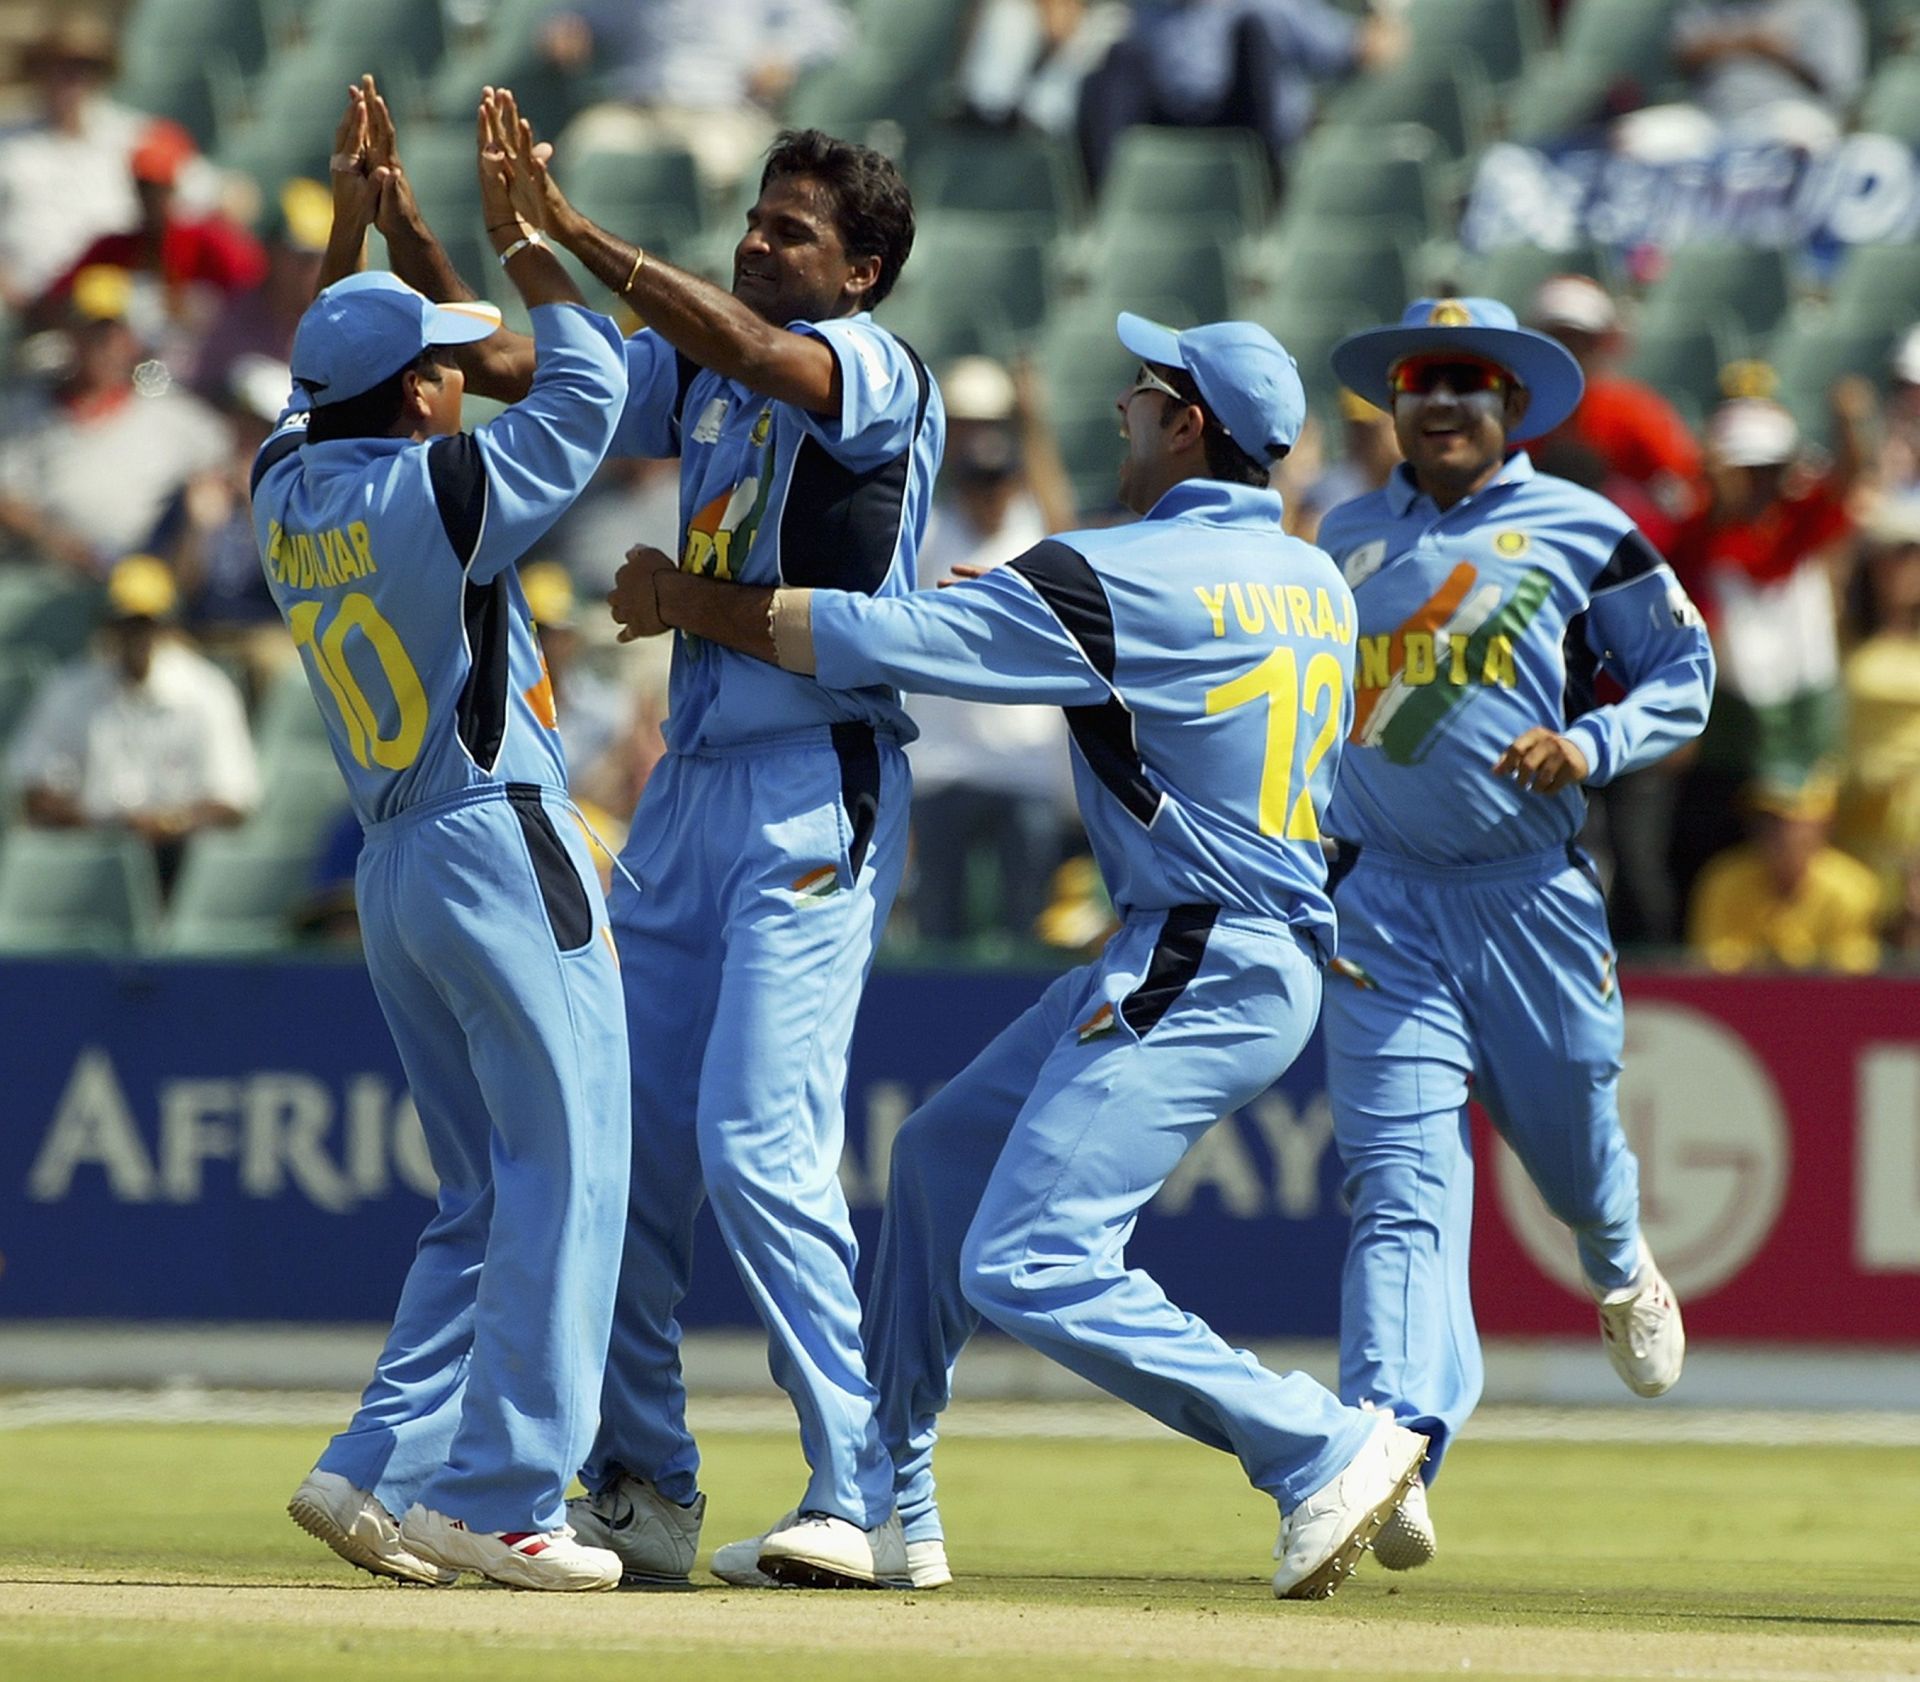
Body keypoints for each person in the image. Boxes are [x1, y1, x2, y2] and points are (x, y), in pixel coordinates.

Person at [609, 312, 1431, 1602]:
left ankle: (1317, 1442)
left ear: (1188, 422)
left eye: (1141, 393)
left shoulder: (1124, 572)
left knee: (1027, 1259)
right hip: (1219, 944)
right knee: (938, 1160)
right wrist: (993, 613)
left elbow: (886, 646)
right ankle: (889, 1500)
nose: (1119, 413)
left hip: (1201, 951)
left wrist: (679, 599)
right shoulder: (1311, 571)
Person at [370, 84, 943, 1588]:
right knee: (622, 1162)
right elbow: (513, 360)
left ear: (862, 272)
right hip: (688, 789)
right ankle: (645, 1484)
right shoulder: (696, 375)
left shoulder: (870, 367)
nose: (760, 245)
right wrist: (439, 234)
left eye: (794, 232)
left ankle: (866, 1494)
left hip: (820, 777)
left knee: (761, 1142)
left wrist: (573, 229)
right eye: (753, 222)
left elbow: (759, 351)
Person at [269, 83, 632, 1594]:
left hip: (395, 861)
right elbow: (592, 386)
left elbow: (312, 380)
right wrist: (525, 244)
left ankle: (374, 1468)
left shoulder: (287, 487)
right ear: (417, 401)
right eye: (437, 367)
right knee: (574, 1165)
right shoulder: (445, 487)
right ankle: (497, 1492)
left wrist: (367, 228)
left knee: (484, 1190)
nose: (455, 377)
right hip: (498, 832)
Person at [1317, 297, 1716, 1574]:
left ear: (1512, 407)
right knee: (1398, 1188)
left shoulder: (1583, 529)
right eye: (1422, 380)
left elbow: (1685, 673)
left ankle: (1620, 1263)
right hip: (1382, 903)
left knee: (1575, 1167)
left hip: (1529, 899)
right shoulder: (1346, 533)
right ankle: (1393, 1441)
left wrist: (1591, 742)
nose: (1441, 401)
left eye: (1468, 383)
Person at [907, 355, 1077, 946]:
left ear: (1015, 480)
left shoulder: (1034, 529)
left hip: (1024, 766)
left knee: (1027, 926)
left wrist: (1034, 427)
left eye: (999, 481)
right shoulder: (932, 532)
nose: (990, 495)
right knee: (937, 925)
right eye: (978, 483)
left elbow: (1064, 517)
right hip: (943, 764)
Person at [6, 552, 258, 888]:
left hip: (178, 859)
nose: (136, 637)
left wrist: (166, 824)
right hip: (87, 855)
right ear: (109, 626)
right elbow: (33, 787)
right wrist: (103, 825)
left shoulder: (206, 692)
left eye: (146, 625)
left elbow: (233, 800)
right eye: (126, 624)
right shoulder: (71, 688)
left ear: (167, 627)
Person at [0, 263, 230, 574]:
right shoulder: (25, 410)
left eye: (114, 330)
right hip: (44, 575)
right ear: (70, 334)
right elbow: (7, 498)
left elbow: (227, 465)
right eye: (92, 330)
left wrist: (204, 500)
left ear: (133, 340)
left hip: (144, 585)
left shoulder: (173, 415)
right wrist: (56, 541)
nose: (104, 343)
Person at [1076, 0, 1404, 185]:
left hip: (1244, 123)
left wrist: (1384, 16)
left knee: (1255, 34)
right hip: (1169, 122)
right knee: (1118, 59)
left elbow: (1363, 48)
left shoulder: (1268, 5)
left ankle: (1271, 187)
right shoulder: (1144, 10)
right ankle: (1104, 202)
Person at [0, 16, 146, 312]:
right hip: (29, 313)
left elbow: (224, 195)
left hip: (121, 316)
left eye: (83, 67)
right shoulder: (8, 144)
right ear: (38, 72)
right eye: (58, 66)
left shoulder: (133, 137)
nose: (70, 78)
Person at [1688, 774, 1881, 972]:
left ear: (1824, 824)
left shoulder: (1853, 887)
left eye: (1787, 820)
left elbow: (1852, 971)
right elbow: (1709, 965)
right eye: (1764, 819)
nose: (1774, 831)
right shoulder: (1724, 879)